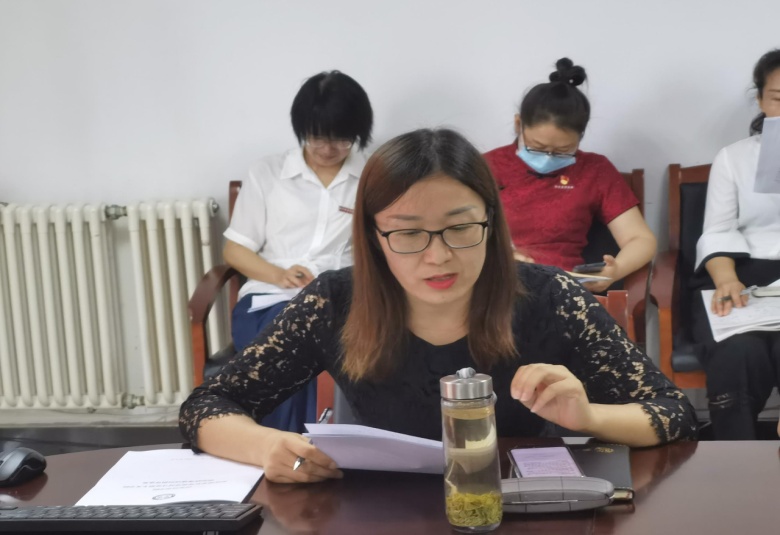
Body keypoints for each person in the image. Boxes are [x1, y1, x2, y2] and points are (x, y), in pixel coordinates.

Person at [180, 128, 697, 484]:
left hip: (516, 505)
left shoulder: (550, 297)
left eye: (460, 227)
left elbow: (673, 411)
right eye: (408, 233)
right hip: (380, 511)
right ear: (373, 235)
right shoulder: (334, 302)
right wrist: (266, 447)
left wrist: (588, 416)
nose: (438, 256)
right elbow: (207, 406)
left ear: (491, 221)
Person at [222, 70, 373, 433]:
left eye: (341, 139)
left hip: (342, 298)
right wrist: (279, 274)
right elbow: (235, 249)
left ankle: (312, 446)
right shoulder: (268, 173)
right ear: (301, 128)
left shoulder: (373, 176)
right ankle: (286, 445)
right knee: (290, 343)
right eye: (317, 137)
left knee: (327, 336)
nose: (327, 149)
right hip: (270, 298)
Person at [483, 58, 656, 293]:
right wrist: (502, 257)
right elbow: (456, 233)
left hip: (564, 289)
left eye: (562, 151)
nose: (548, 157)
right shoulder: (487, 167)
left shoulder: (595, 170)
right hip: (498, 285)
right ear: (518, 124)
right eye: (537, 147)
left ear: (580, 138)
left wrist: (614, 272)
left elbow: (641, 240)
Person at [691, 49, 780, 440]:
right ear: (760, 99)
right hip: (743, 272)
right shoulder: (733, 158)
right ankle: (736, 459)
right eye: (779, 98)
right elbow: (718, 230)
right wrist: (726, 279)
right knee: (739, 351)